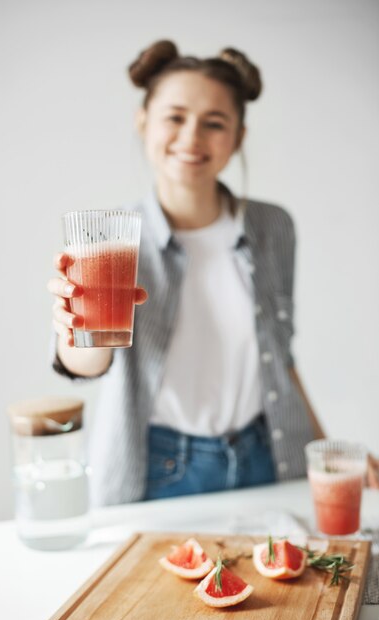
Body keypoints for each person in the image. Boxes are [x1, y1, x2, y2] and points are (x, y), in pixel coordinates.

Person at [48, 40, 379, 506]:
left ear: (239, 137)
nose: (192, 137)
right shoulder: (110, 240)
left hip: (266, 454)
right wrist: (73, 328)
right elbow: (89, 364)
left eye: (215, 123)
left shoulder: (272, 227)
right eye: (175, 117)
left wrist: (324, 456)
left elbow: (280, 360)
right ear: (143, 122)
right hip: (158, 469)